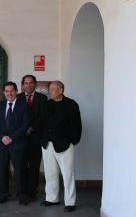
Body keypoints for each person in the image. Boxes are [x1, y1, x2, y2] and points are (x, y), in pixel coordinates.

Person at [40, 81, 82, 213]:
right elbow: (43, 123)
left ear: (61, 90)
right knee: (50, 173)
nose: (49, 91)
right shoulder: (47, 105)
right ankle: (52, 198)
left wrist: (72, 141)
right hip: (48, 143)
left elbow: (77, 126)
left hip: (65, 144)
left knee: (67, 173)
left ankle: (70, 201)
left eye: (52, 89)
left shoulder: (71, 105)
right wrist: (43, 139)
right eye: (49, 89)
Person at [0, 81, 30, 206]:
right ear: (3, 93)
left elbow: (25, 124)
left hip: (18, 143)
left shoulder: (24, 106)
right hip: (2, 144)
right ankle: (3, 195)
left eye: (11, 91)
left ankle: (22, 196)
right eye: (6, 91)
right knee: (2, 171)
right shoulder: (0, 105)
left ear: (16, 91)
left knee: (20, 171)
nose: (9, 93)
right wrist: (2, 137)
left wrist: (11, 137)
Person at [17, 75, 47, 200]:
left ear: (35, 84)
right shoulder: (17, 98)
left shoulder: (42, 98)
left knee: (34, 166)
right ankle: (23, 189)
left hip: (35, 137)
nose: (28, 85)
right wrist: (23, 129)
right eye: (26, 83)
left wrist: (31, 128)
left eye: (31, 83)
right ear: (22, 85)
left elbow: (42, 116)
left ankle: (32, 191)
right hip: (20, 138)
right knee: (21, 166)